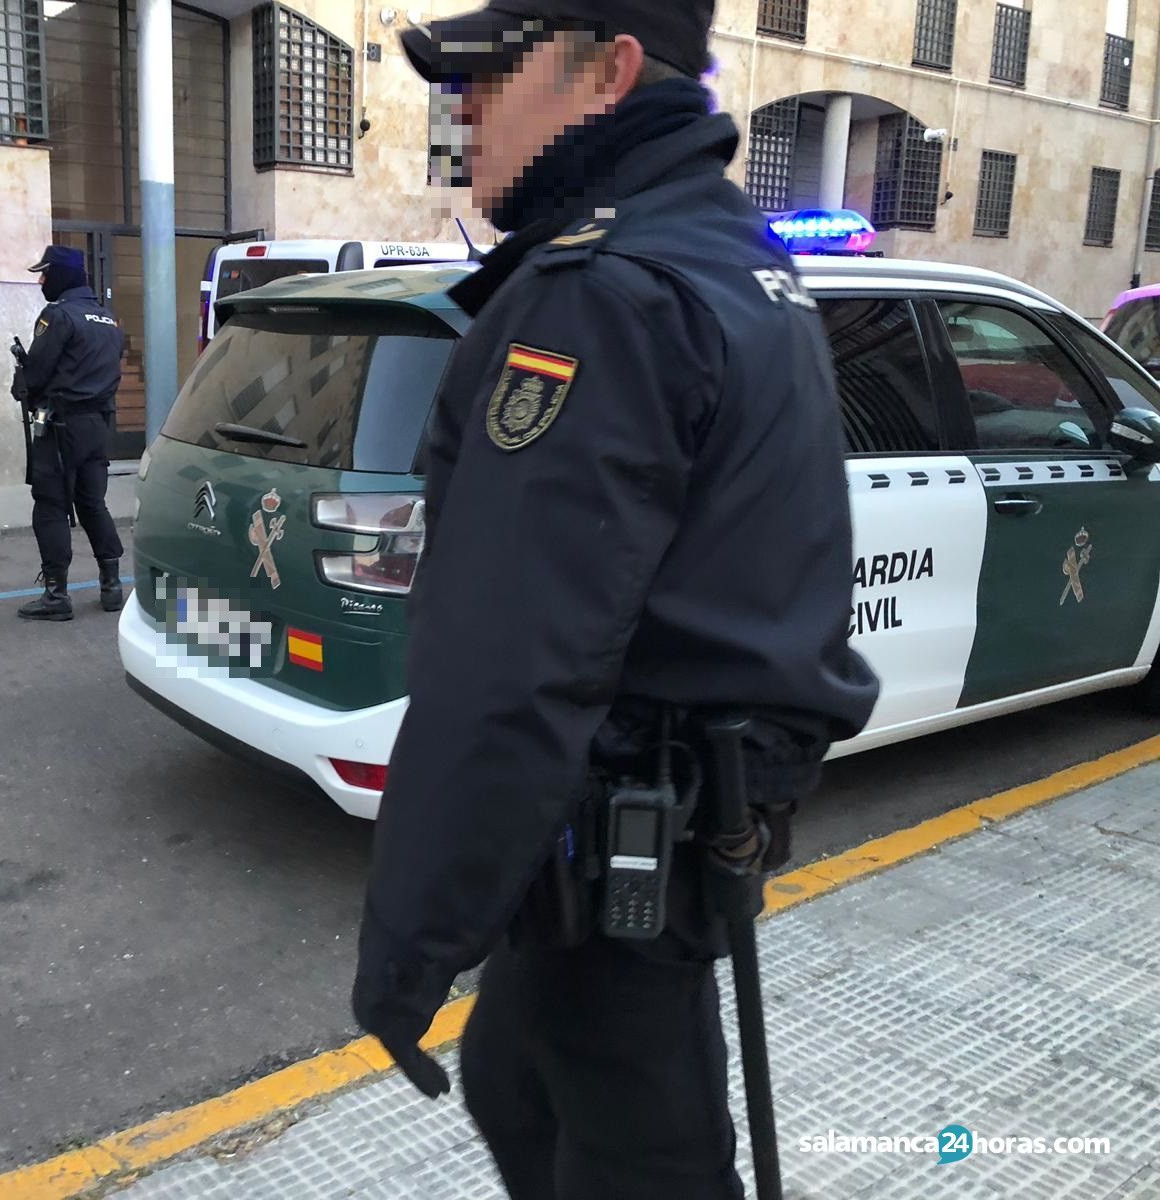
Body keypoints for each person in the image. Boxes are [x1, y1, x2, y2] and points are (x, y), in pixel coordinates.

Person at [349, 3, 881, 1197]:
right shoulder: (733, 255)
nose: (464, 105)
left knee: (644, 1156)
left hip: (623, 843)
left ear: (609, 74)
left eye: (492, 74)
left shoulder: (601, 293)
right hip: (680, 818)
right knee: (517, 1074)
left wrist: (409, 946)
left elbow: (510, 663)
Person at [12, 244, 126, 621]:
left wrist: (22, 380)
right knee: (93, 503)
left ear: (62, 275)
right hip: (98, 426)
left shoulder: (57, 316)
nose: (42, 280)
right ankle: (111, 586)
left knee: (51, 507)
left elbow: (38, 374)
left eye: (45, 273)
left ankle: (56, 595)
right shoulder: (108, 320)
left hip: (61, 427)